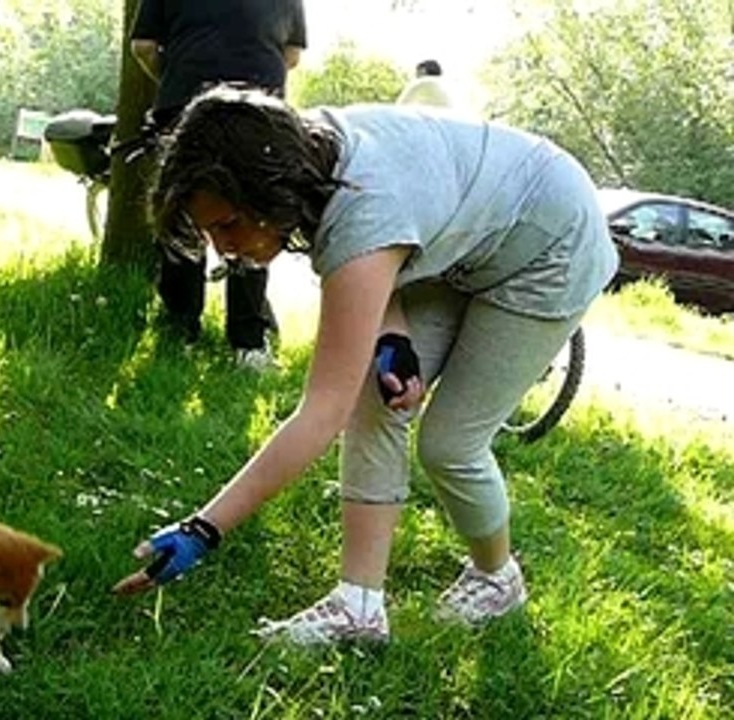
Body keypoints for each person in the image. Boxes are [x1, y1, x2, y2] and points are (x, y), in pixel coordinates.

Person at [113, 85, 619, 644]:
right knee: (375, 395)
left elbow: (320, 410)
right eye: (210, 231)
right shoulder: (311, 158)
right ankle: (358, 606)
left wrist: (202, 530)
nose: (223, 247)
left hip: (553, 245)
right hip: (469, 243)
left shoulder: (360, 205)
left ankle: (497, 578)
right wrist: (393, 335)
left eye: (228, 224)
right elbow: (396, 244)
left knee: (450, 445)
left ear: (270, 188)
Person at [130, 0, 307, 370]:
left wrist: (180, 76)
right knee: (255, 214)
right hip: (260, 108)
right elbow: (291, 53)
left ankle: (179, 333)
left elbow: (143, 47)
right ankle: (248, 344)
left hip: (185, 97)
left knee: (183, 217)